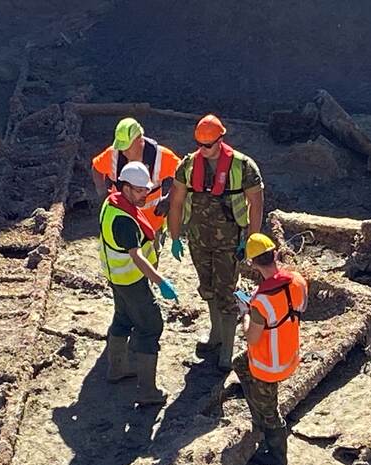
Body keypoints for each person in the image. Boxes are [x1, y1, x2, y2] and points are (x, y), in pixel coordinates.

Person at [167, 114, 265, 370]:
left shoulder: (243, 166)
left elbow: (256, 204)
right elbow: (176, 202)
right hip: (198, 240)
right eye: (199, 144)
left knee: (227, 292)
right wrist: (175, 236)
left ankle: (227, 351)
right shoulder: (187, 166)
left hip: (230, 242)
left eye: (208, 145)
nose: (203, 149)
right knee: (207, 287)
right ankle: (216, 336)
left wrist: (251, 240)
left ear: (221, 140)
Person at [99, 161, 179, 406]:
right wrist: (160, 280)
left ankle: (116, 369)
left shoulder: (111, 204)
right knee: (150, 326)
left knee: (123, 318)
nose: (146, 193)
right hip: (131, 280)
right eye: (139, 190)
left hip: (117, 278)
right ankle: (147, 392)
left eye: (146, 189)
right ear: (125, 187)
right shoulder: (123, 220)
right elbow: (137, 256)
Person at [236, 233, 308, 465]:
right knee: (239, 364)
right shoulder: (297, 280)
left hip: (268, 366)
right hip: (290, 355)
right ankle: (258, 413)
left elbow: (252, 337)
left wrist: (245, 312)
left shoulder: (260, 301)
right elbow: (302, 306)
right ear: (275, 254)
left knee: (270, 412)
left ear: (252, 263)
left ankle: (277, 456)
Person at [92, 117, 181, 249]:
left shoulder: (160, 156)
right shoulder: (114, 154)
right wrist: (103, 193)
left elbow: (183, 175)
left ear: (140, 140)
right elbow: (97, 168)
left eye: (127, 147)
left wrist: (169, 199)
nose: (123, 152)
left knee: (150, 262)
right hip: (121, 223)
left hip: (151, 225)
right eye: (121, 147)